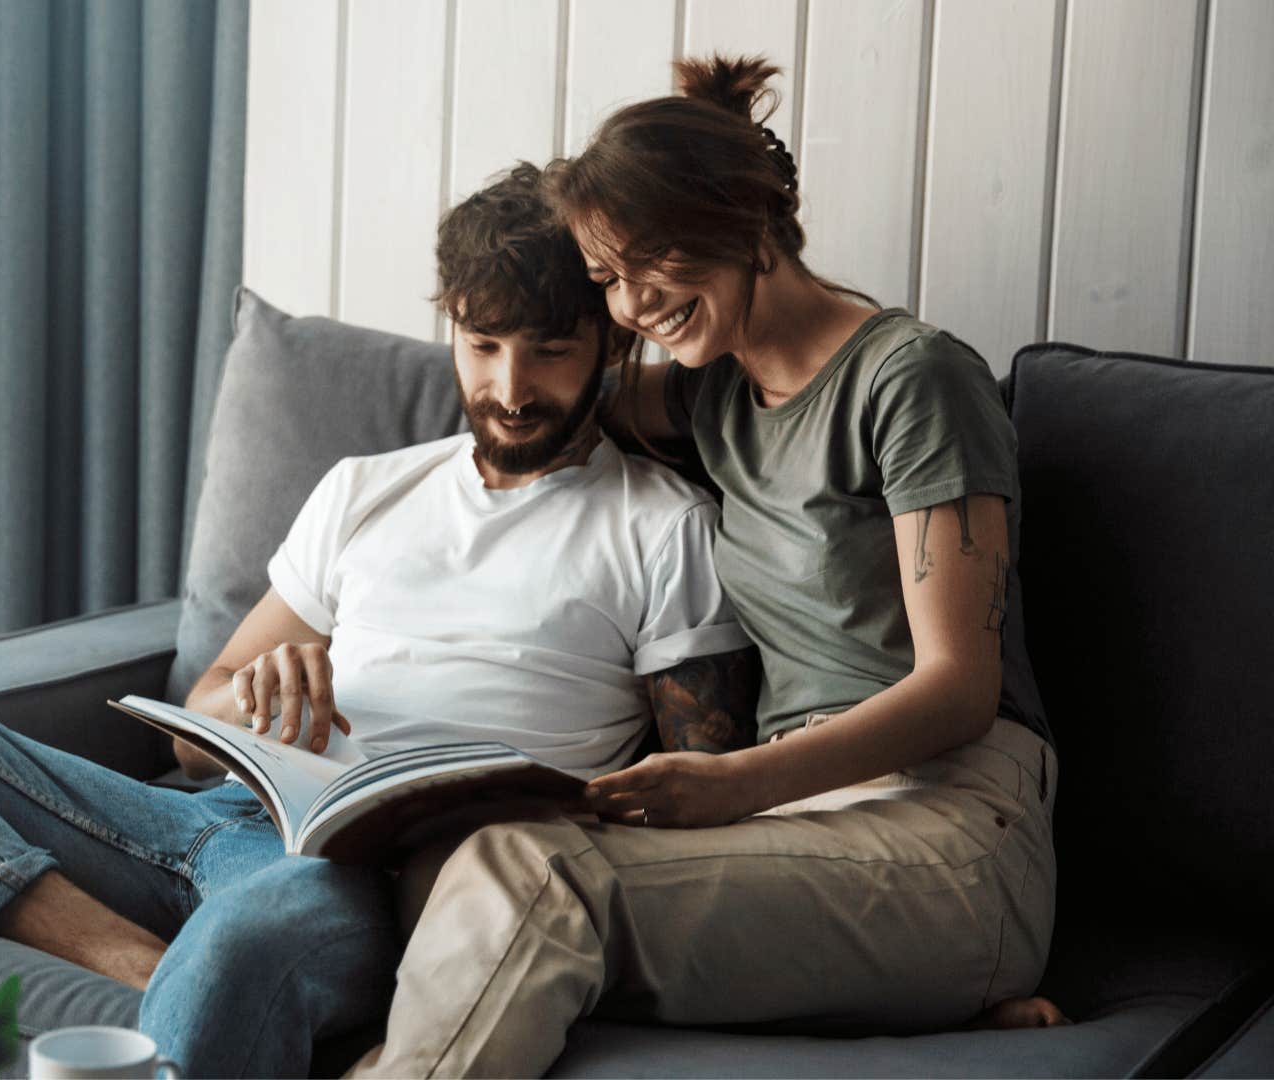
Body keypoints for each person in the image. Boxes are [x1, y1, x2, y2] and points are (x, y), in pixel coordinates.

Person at [0, 163, 759, 1079]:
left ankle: (188, 975)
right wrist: (257, 701)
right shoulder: (368, 488)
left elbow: (695, 799)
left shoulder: (661, 529)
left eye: (549, 350)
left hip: (376, 879)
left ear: (609, 341)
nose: (510, 387)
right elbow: (190, 732)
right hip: (206, 819)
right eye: (483, 344)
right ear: (450, 320)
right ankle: (134, 966)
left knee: (242, 949)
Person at [349, 56, 1065, 1079]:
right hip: (809, 834)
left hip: (951, 820)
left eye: (654, 262)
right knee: (445, 871)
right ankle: (925, 1017)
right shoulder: (713, 399)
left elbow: (960, 689)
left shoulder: (913, 381)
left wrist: (735, 782)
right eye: (608, 280)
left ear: (747, 218)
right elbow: (546, 406)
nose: (634, 304)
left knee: (531, 877)